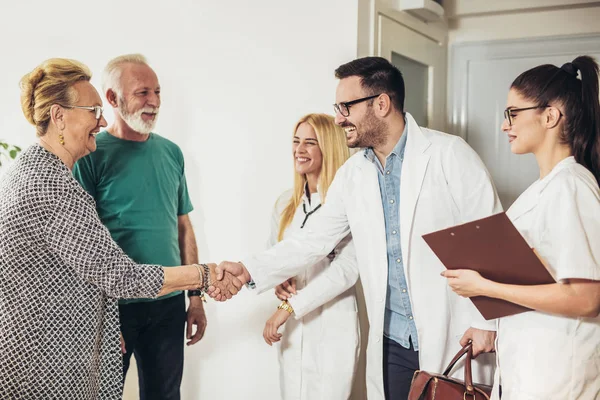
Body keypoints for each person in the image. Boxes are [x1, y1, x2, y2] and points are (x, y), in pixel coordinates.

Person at [211, 56, 502, 399]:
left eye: (345, 106)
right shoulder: (353, 175)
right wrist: (248, 270)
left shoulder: (449, 155)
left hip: (453, 333)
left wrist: (486, 322)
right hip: (391, 345)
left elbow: (493, 242)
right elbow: (313, 240)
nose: (338, 118)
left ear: (381, 103)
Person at [0, 58, 240, 400]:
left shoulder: (34, 169)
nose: (100, 120)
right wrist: (205, 274)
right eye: (93, 110)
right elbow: (120, 276)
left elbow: (83, 264)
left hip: (57, 343)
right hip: (43, 357)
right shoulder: (52, 186)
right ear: (59, 116)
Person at [442, 56, 600, 400]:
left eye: (513, 113)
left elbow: (587, 298)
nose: (504, 125)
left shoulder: (571, 186)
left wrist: (486, 285)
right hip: (530, 367)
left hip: (558, 376)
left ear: (550, 116)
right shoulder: (544, 189)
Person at [72, 54, 203, 400]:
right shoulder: (90, 153)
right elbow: (81, 241)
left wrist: (195, 296)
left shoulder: (172, 153)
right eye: (143, 92)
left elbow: (184, 227)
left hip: (168, 304)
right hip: (114, 306)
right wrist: (97, 316)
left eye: (157, 92)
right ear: (112, 99)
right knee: (101, 394)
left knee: (165, 395)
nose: (155, 102)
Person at [262, 113, 360, 399]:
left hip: (332, 323)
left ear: (328, 148)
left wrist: (290, 307)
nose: (299, 150)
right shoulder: (284, 204)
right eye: (295, 142)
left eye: (309, 142)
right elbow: (275, 255)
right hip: (292, 330)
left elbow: (347, 269)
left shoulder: (347, 204)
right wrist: (278, 281)